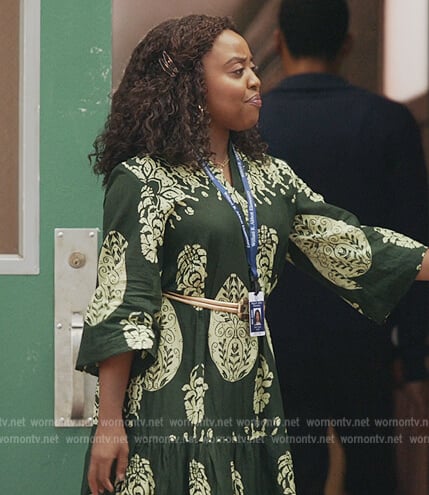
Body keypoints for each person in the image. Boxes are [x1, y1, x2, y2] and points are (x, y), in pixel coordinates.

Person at [76, 13, 429, 495]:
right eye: (236, 70)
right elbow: (123, 302)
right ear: (190, 86)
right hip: (169, 395)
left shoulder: (269, 177)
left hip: (253, 392)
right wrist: (110, 422)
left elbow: (353, 246)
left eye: (252, 68)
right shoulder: (143, 179)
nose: (255, 79)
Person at [258, 1, 429, 494]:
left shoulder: (252, 126)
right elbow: (412, 245)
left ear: (277, 42)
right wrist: (414, 357)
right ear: (347, 45)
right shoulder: (390, 122)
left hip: (274, 339)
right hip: (366, 340)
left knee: (290, 477)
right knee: (373, 476)